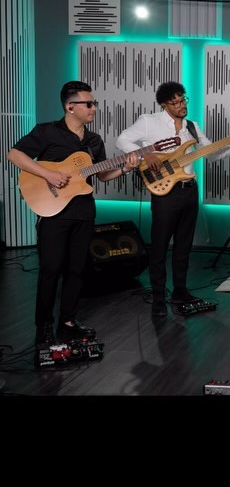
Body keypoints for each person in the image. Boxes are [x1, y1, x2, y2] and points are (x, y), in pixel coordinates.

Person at [7, 81, 131, 345]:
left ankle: (68, 322)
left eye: (94, 103)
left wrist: (125, 168)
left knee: (77, 270)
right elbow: (14, 155)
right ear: (70, 106)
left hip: (84, 212)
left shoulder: (94, 141)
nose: (94, 108)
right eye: (89, 103)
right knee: (51, 270)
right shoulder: (47, 131)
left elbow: (103, 175)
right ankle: (43, 326)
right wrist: (48, 174)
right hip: (54, 214)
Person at [116, 82, 213, 317]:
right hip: (165, 193)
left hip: (189, 190)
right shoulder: (149, 122)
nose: (181, 105)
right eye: (175, 102)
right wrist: (145, 155)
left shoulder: (192, 126)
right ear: (164, 105)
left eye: (183, 100)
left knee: (184, 246)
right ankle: (158, 298)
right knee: (159, 247)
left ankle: (180, 291)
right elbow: (122, 140)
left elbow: (211, 151)